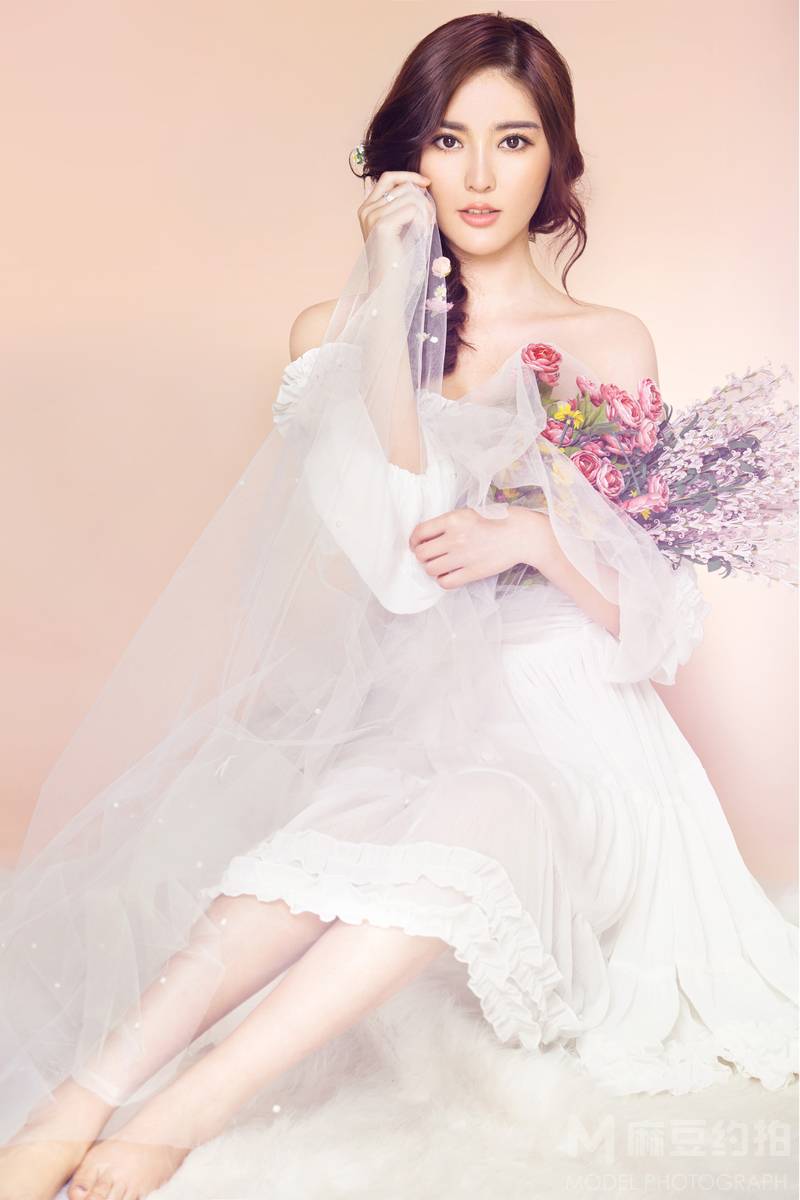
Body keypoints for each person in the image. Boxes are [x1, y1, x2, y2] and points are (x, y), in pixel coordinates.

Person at [1, 13, 796, 1200]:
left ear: (553, 159)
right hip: (427, 705)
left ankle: (177, 1116)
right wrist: (385, 300)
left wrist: (532, 536)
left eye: (512, 140)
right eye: (446, 140)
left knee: (477, 809)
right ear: (404, 162)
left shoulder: (604, 343)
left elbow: (652, 625)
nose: (478, 176)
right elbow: (395, 561)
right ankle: (81, 1098)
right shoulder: (333, 341)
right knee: (349, 820)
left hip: (582, 732)